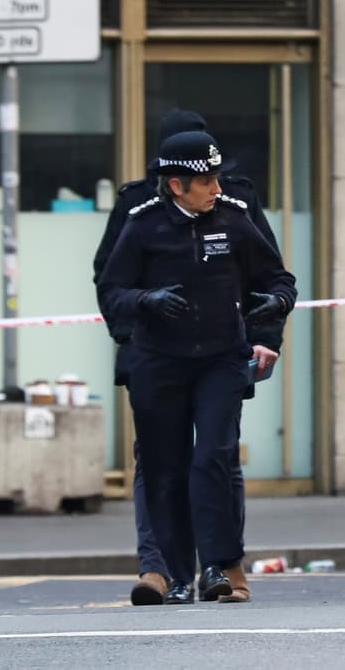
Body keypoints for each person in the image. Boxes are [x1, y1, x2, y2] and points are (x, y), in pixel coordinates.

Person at [92, 109, 283, 606]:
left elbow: (276, 277)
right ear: (175, 183)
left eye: (218, 175)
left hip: (221, 356)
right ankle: (171, 573)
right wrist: (141, 310)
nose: (216, 187)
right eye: (206, 179)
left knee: (214, 458)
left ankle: (221, 567)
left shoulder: (235, 215)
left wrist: (272, 314)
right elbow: (111, 285)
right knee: (163, 467)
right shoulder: (141, 220)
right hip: (158, 360)